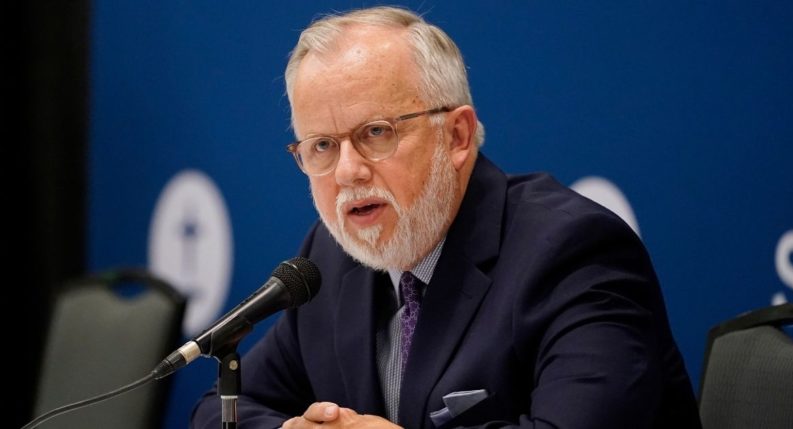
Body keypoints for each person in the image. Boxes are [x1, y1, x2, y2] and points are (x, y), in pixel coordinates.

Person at [190, 6, 702, 428]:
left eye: (375, 133)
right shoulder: (328, 260)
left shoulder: (572, 252)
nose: (347, 172)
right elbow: (219, 411)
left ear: (456, 136)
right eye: (322, 145)